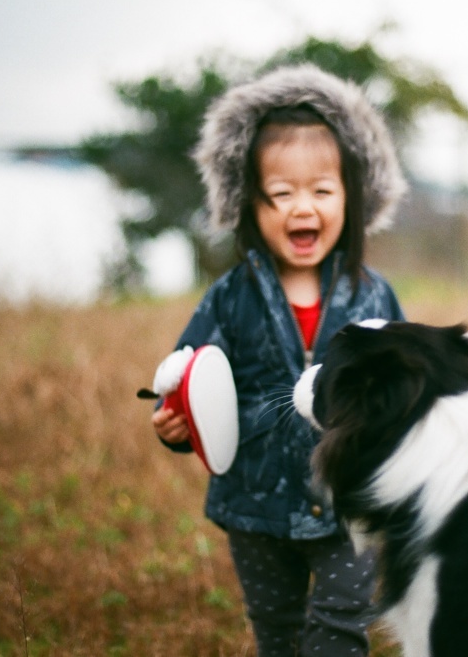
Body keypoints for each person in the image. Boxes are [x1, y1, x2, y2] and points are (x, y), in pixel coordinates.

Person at [150, 64, 407, 657]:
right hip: (255, 509)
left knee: (339, 629)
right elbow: (188, 382)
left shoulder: (374, 295)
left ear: (352, 197)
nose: (303, 208)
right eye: (282, 193)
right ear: (249, 204)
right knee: (279, 635)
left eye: (321, 190)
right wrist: (173, 427)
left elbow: (404, 385)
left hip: (352, 506)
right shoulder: (230, 297)